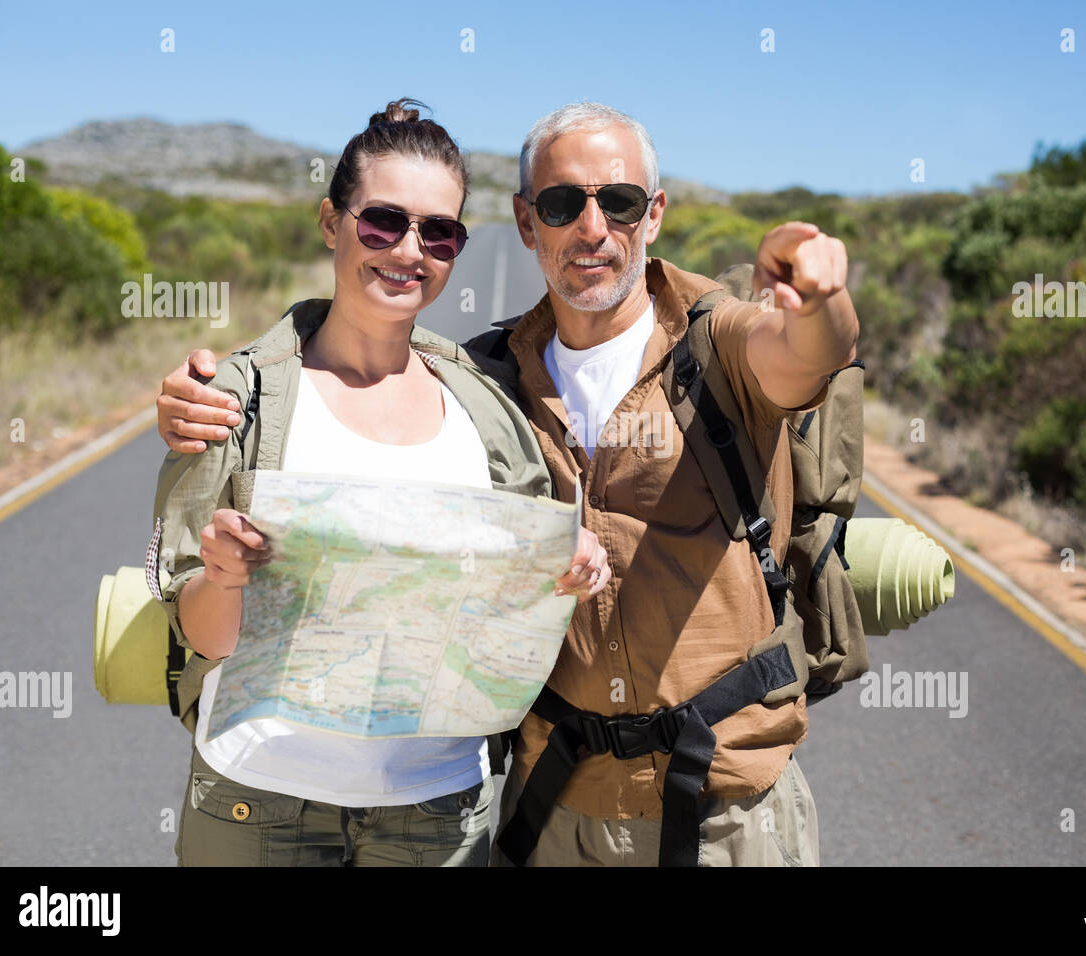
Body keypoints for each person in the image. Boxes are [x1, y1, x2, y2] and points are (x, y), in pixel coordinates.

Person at [157, 101, 858, 866]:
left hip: (713, 801)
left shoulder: (707, 346)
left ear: (653, 215)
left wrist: (821, 302)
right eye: (563, 204)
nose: (593, 227)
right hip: (549, 805)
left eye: (618, 201)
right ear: (528, 224)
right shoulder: (490, 379)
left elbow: (804, 356)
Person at [150, 98, 610, 867]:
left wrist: (570, 559)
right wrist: (226, 578)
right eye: (382, 222)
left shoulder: (485, 410)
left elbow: (522, 597)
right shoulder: (237, 400)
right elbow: (201, 632)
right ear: (332, 223)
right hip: (256, 799)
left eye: (439, 232)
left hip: (437, 812)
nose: (409, 249)